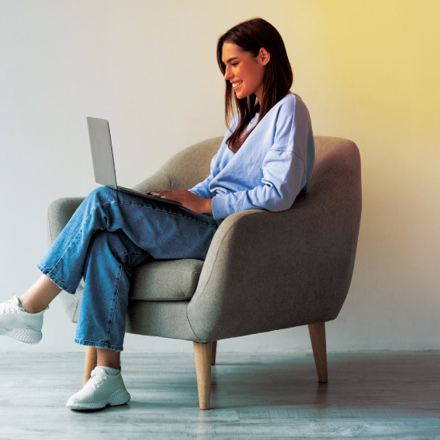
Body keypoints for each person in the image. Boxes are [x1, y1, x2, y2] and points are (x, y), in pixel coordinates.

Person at [0, 17, 315, 411]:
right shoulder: (243, 119)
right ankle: (108, 376)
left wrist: (206, 205)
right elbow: (217, 180)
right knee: (108, 243)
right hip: (202, 219)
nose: (228, 75)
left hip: (226, 233)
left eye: (233, 63)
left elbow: (279, 192)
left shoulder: (289, 110)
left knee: (103, 200)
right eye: (224, 67)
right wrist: (181, 199)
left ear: (264, 55)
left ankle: (30, 307)